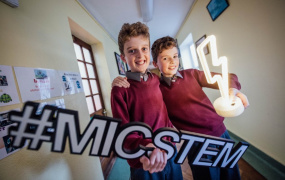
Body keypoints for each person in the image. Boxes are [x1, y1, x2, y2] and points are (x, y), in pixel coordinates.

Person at [113, 36, 249, 180]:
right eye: (165, 59)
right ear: (155, 63)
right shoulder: (157, 87)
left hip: (221, 134)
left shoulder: (192, 74)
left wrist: (233, 90)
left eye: (175, 56)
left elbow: (228, 77)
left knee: (232, 175)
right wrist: (117, 81)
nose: (172, 61)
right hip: (196, 144)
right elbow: (141, 89)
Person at [111, 23, 183, 180]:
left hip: (170, 152)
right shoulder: (120, 90)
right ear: (123, 57)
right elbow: (123, 132)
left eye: (144, 49)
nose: (140, 55)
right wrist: (147, 147)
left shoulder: (157, 79)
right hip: (144, 161)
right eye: (132, 51)